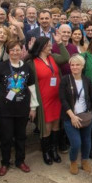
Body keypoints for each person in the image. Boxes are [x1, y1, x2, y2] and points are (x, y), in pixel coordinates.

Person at [0, 39, 38, 176]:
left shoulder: (26, 68)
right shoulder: (1, 67)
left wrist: (33, 107)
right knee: (6, 138)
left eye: (18, 50)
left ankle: (20, 161)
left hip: (22, 109)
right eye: (12, 50)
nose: (15, 52)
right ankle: (5, 162)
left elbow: (32, 88)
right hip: (5, 110)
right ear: (8, 52)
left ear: (22, 51)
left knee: (21, 137)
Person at [60, 54, 92, 174]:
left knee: (87, 141)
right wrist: (72, 116)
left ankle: (85, 160)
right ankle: (73, 161)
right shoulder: (65, 80)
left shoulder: (87, 80)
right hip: (70, 117)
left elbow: (89, 98)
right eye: (72, 65)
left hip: (86, 116)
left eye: (77, 65)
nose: (75, 67)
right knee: (76, 143)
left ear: (82, 66)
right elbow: (63, 100)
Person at [31, 36, 63, 165]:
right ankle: (46, 151)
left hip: (56, 98)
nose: (51, 46)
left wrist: (60, 43)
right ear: (42, 46)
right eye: (49, 44)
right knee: (47, 127)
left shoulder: (52, 58)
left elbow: (65, 58)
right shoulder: (32, 62)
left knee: (56, 125)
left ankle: (54, 150)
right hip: (44, 99)